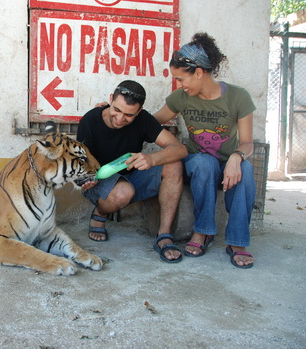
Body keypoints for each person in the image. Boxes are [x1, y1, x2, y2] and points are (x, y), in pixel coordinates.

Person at [154, 32, 257, 269]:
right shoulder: (180, 98)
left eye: (181, 79)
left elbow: (248, 143)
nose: (179, 85)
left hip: (227, 164)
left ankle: (237, 242)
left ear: (199, 72)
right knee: (204, 162)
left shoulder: (238, 96)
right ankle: (203, 231)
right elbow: (152, 120)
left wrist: (236, 157)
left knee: (247, 170)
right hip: (197, 163)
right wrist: (114, 111)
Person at [77, 80, 188, 263]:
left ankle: (164, 235)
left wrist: (152, 159)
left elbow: (180, 149)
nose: (120, 119)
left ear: (139, 110)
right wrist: (86, 179)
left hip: (132, 175)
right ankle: (100, 212)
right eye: (117, 110)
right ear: (111, 99)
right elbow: (82, 164)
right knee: (123, 193)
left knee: (174, 164)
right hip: (100, 179)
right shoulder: (90, 120)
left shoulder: (143, 119)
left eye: (129, 115)